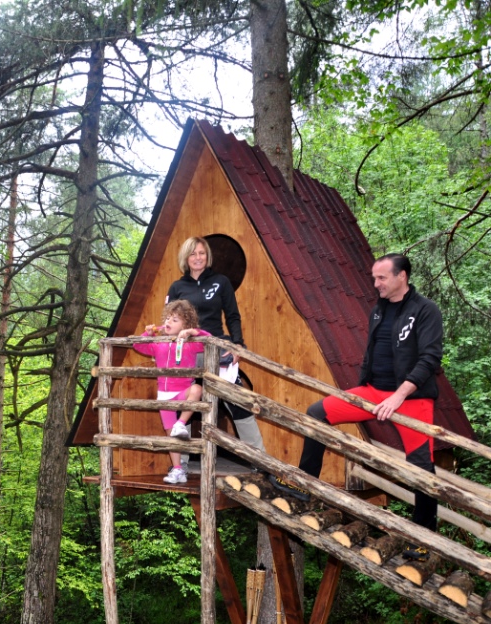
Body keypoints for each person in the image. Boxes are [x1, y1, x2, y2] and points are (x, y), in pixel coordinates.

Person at [272, 254, 443, 561]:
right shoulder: (378, 310)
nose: (375, 284)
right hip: (372, 391)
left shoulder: (426, 310)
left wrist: (398, 397)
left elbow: (429, 359)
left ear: (401, 276)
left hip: (410, 398)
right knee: (316, 414)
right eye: (374, 278)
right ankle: (304, 484)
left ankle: (424, 538)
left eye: (381, 278)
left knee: (421, 467)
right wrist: (369, 388)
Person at [165, 236, 267, 454]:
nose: (197, 258)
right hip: (187, 354)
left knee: (238, 401)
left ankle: (260, 459)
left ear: (207, 256)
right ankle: (179, 466)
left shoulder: (221, 281)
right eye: (193, 253)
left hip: (216, 350)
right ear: (186, 258)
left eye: (201, 253)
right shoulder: (177, 287)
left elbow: (233, 316)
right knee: (183, 403)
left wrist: (237, 345)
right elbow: (169, 322)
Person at [133, 299, 210, 484]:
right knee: (170, 437)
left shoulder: (191, 343)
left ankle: (181, 423)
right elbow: (137, 345)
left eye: (175, 320)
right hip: (164, 395)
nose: (169, 322)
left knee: (197, 389)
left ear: (186, 324)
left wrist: (192, 332)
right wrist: (149, 333)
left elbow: (209, 338)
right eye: (167, 318)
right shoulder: (158, 343)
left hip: (183, 391)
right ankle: (177, 470)